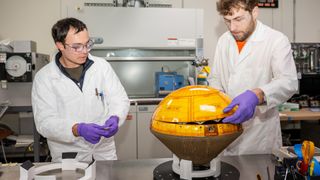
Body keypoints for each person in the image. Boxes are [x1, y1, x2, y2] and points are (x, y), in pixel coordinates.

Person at [32, 17, 130, 162]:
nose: (84, 51)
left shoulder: (101, 66)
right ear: (60, 45)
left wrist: (115, 117)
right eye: (77, 47)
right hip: (69, 155)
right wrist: (77, 129)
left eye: (87, 44)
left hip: (103, 151)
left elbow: (119, 99)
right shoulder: (45, 77)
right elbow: (45, 122)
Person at [208, 0, 298, 155]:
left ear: (254, 12)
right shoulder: (224, 40)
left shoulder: (276, 40)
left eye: (238, 19)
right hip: (225, 135)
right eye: (227, 21)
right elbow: (215, 77)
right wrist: (216, 104)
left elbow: (288, 82)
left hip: (259, 138)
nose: (232, 28)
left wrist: (257, 95)